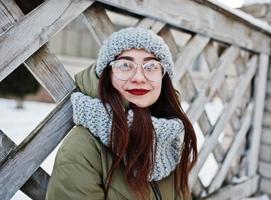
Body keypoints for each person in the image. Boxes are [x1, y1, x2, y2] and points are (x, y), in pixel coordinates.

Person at [46, 27, 197, 200]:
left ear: (163, 77)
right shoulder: (82, 149)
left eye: (151, 66)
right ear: (107, 75)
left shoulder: (169, 141)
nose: (139, 77)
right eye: (125, 65)